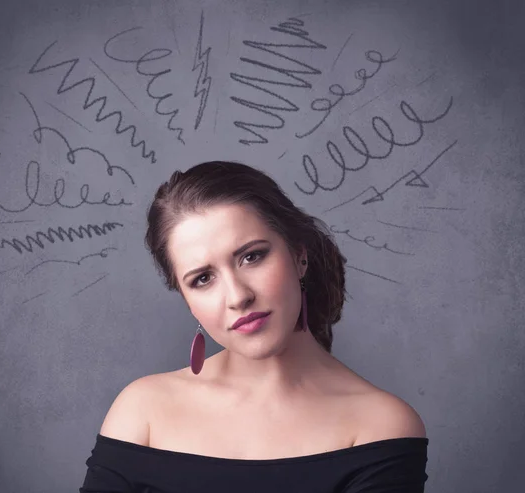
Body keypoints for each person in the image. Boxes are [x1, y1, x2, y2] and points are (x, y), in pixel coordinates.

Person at [79, 161, 429, 492]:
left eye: (252, 256)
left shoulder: (380, 425)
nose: (237, 296)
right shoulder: (142, 410)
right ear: (188, 301)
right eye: (202, 279)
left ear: (299, 256)